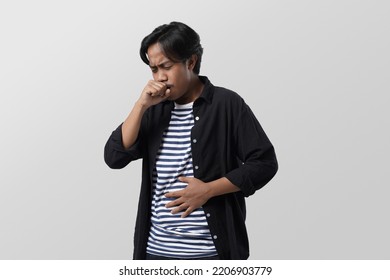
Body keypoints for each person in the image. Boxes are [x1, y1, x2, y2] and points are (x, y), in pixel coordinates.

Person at [104, 21, 278, 260]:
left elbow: (264, 163)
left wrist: (209, 190)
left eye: (166, 66)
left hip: (212, 255)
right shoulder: (154, 110)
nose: (160, 77)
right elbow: (114, 157)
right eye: (154, 69)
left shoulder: (227, 104)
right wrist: (141, 105)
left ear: (191, 61)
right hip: (155, 253)